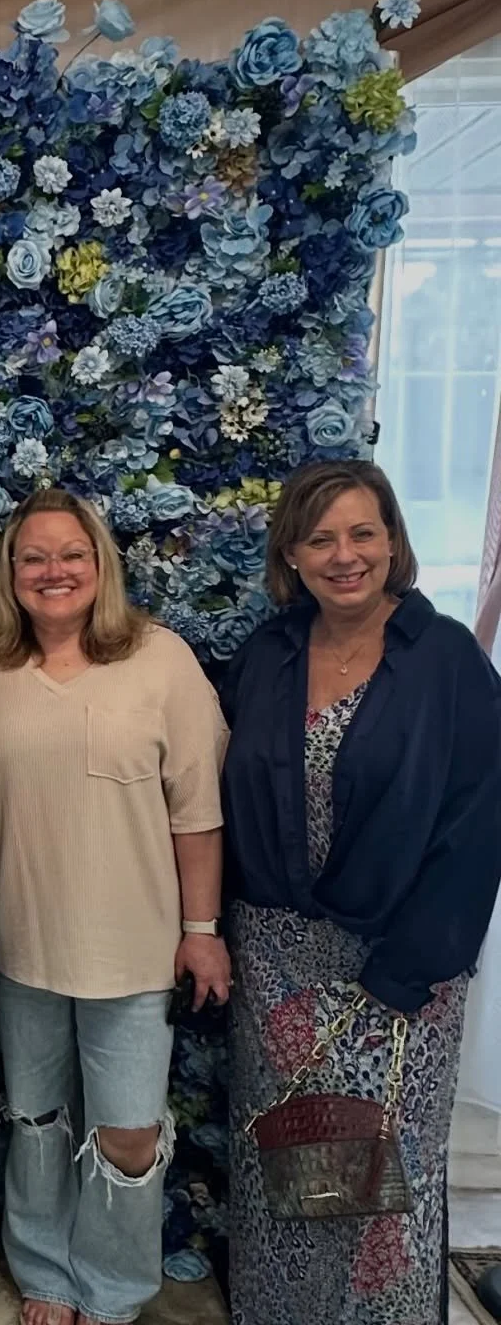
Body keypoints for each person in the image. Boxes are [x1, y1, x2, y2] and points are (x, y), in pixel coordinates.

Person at [221, 459, 501, 1325]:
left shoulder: (445, 657)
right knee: (288, 1170)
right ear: (293, 554)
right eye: (321, 538)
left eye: (362, 532)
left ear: (392, 542)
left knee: (381, 1187)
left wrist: (410, 967)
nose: (345, 554)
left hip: (397, 967)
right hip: (273, 962)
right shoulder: (267, 655)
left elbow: (477, 822)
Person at [0, 488, 229, 1325]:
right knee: (38, 1121)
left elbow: (197, 813)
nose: (53, 571)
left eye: (71, 554)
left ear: (100, 564)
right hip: (21, 944)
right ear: (11, 572)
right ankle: (45, 1272)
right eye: (34, 557)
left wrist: (201, 931)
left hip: (134, 949)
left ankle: (113, 1290)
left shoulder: (161, 659)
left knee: (128, 1134)